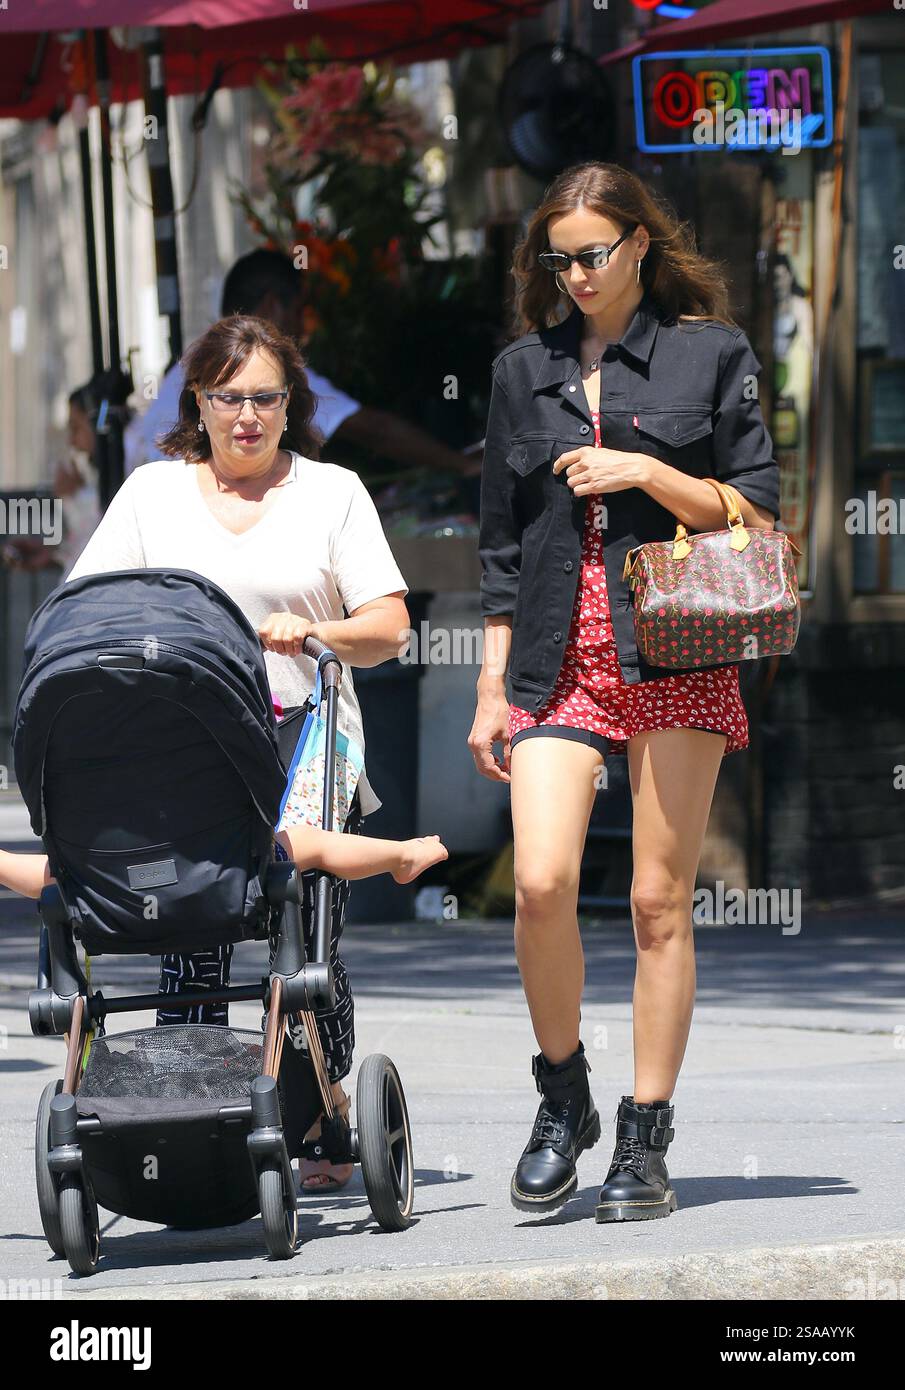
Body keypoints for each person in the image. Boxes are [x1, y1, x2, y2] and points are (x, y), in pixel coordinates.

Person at [468, 162, 781, 1223]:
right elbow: (500, 550)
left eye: (593, 253)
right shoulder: (522, 371)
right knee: (543, 882)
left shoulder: (711, 354)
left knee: (655, 901)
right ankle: (565, 1096)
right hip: (557, 655)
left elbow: (758, 511)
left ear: (640, 245)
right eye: (558, 259)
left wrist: (644, 474)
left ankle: (644, 1138)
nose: (576, 275)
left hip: (676, 648)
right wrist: (486, 689)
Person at [66, 313, 413, 1191]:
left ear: (290, 404)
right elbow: (88, 608)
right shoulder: (151, 494)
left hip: (304, 738)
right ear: (199, 402)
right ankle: (188, 1127)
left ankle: (322, 1120)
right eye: (229, 398)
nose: (247, 416)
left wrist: (316, 629)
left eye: (265, 397)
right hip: (182, 749)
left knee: (304, 941)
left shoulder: (332, 493)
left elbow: (389, 628)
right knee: (194, 931)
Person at [124, 248, 477, 479]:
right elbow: (372, 430)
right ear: (273, 305)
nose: (303, 328)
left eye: (264, 400)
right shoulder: (261, 361)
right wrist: (463, 465)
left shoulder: (198, 355)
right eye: (298, 312)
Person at [1, 383, 102, 575]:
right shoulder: (100, 481)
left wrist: (73, 497)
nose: (72, 441)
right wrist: (52, 553)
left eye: (76, 428)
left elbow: (103, 535)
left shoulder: (128, 465)